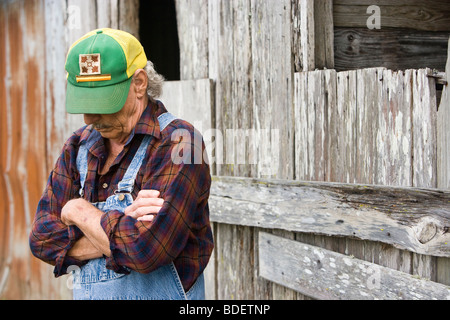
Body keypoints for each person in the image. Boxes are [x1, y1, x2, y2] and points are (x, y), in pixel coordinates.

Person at [29, 28, 214, 300]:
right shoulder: (77, 146)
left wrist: (79, 211)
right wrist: (123, 228)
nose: (89, 118)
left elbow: (146, 251)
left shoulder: (181, 144)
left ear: (139, 83)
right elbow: (42, 240)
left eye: (102, 102)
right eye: (84, 103)